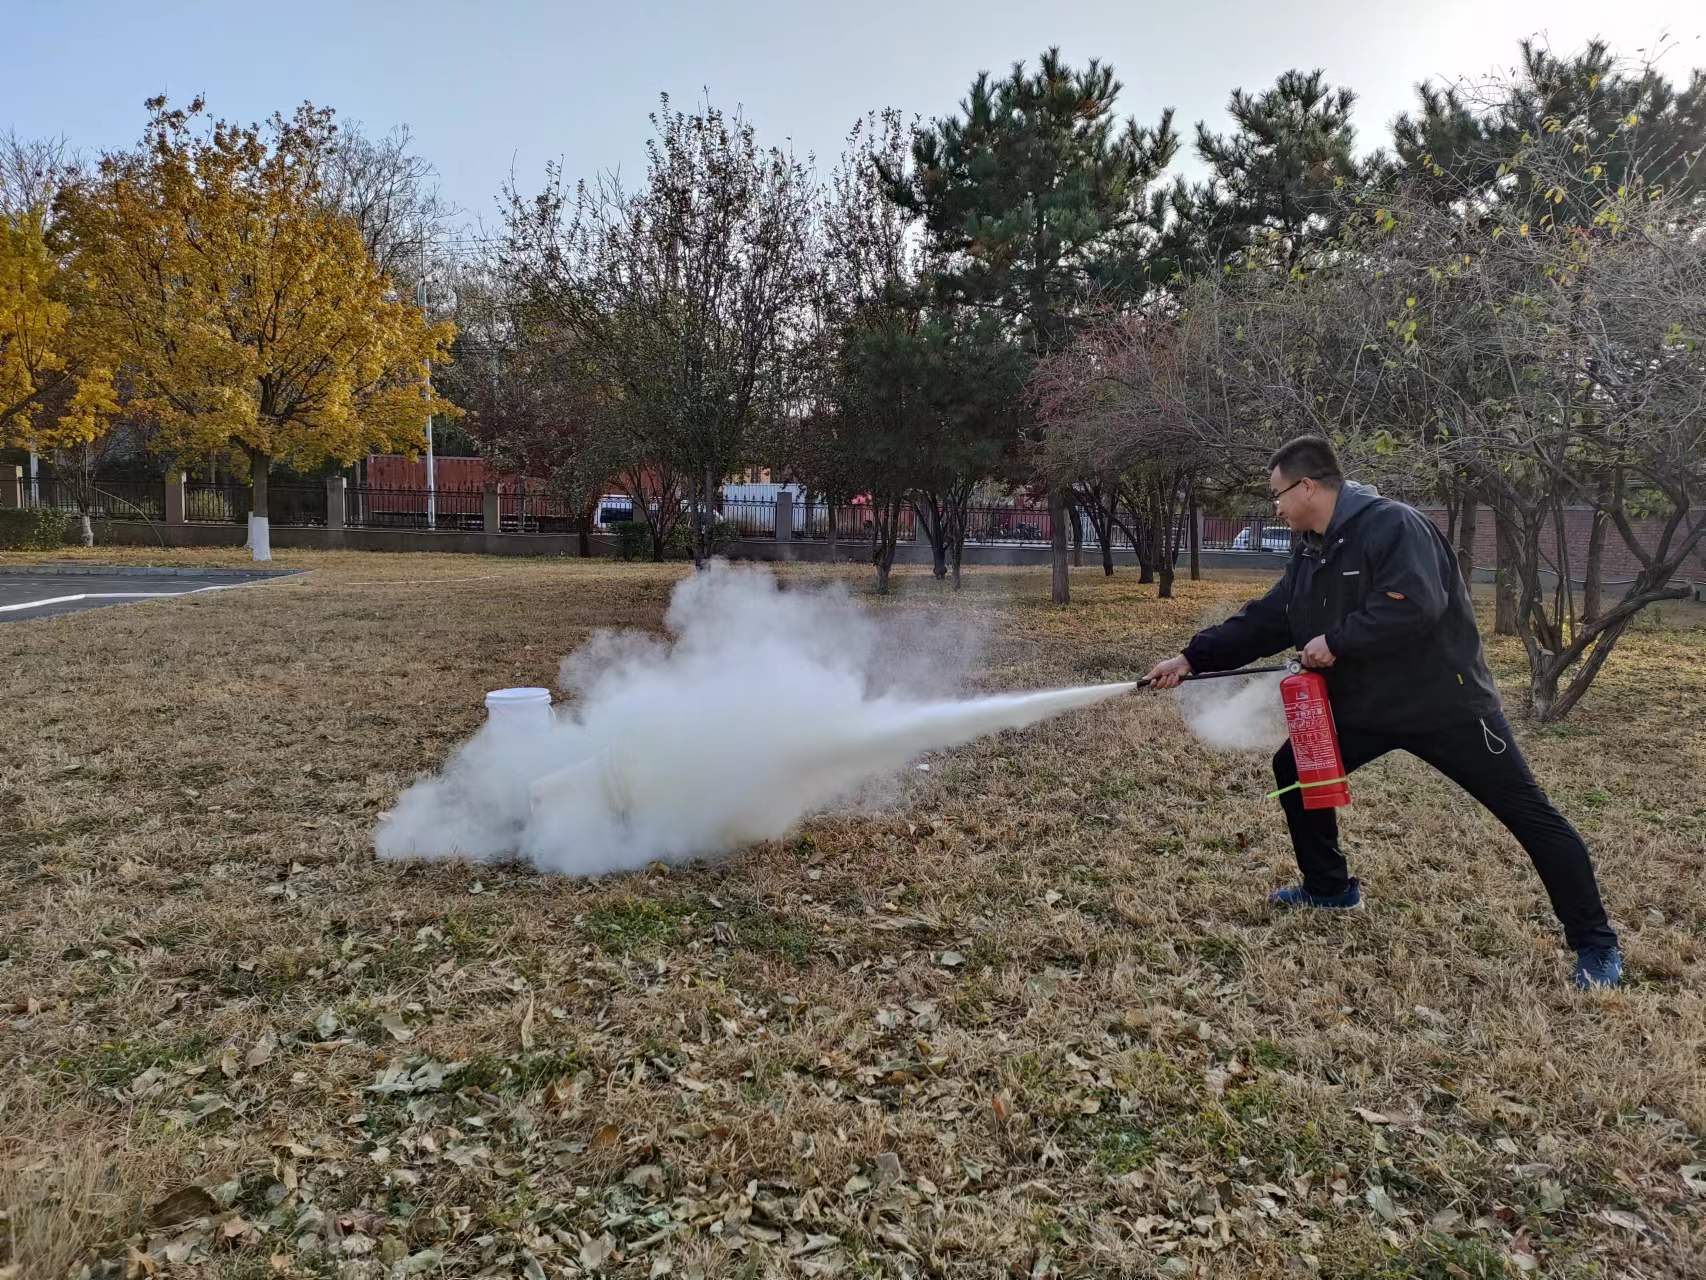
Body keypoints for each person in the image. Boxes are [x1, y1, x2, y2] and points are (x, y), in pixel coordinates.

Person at [1144, 436, 1622, 990]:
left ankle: (1596, 944)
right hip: (1367, 706)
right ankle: (1329, 888)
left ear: (1307, 487)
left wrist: (1337, 641)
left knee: (1528, 813)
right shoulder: (1311, 548)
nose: (1275, 507)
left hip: (1444, 705)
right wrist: (1192, 658)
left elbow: (1417, 604)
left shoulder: (1393, 525)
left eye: (1277, 494)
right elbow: (1271, 617)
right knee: (1295, 769)